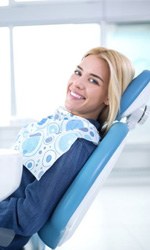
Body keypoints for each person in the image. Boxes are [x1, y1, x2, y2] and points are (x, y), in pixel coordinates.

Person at [0, 47, 135, 250]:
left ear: (108, 96)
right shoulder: (63, 125)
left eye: (93, 80)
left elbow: (28, 217)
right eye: (78, 72)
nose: (77, 83)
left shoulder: (76, 142)